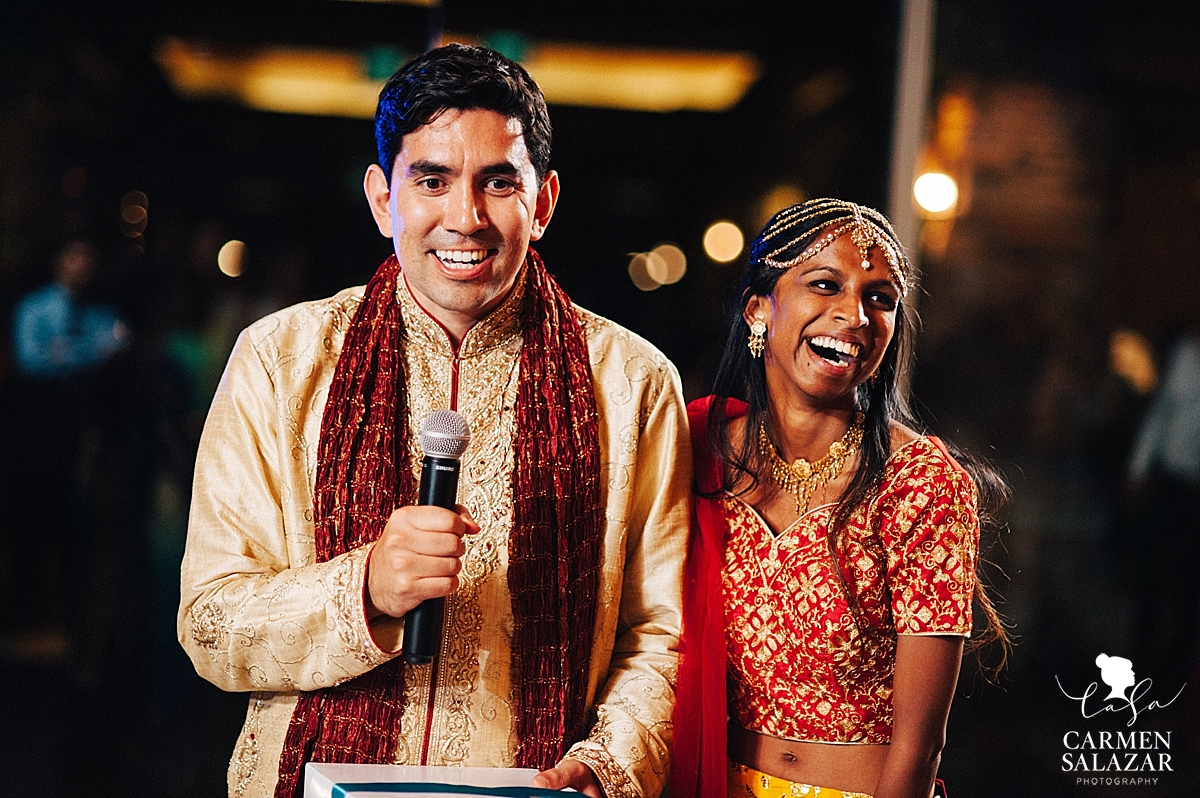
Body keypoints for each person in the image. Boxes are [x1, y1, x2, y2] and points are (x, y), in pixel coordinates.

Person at [178, 44, 690, 798]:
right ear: (384, 198)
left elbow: (661, 636)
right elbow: (210, 623)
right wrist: (365, 592)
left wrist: (607, 767)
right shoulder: (281, 362)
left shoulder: (633, 384)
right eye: (432, 180)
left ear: (542, 203)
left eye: (497, 182)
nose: (466, 218)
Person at [670, 199, 1008, 798]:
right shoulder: (699, 451)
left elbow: (920, 747)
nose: (854, 315)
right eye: (825, 285)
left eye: (880, 299)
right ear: (758, 311)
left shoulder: (918, 483)